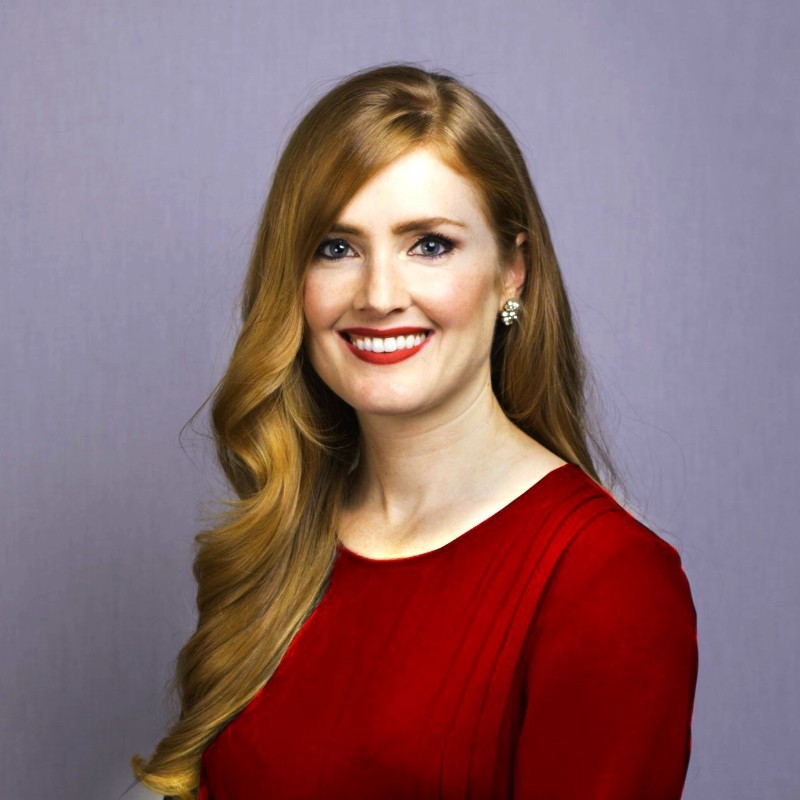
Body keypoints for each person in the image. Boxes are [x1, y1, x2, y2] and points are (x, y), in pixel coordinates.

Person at [131, 63, 698, 799]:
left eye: (428, 244)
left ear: (512, 273)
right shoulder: (279, 541)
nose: (378, 295)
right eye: (337, 247)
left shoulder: (607, 582)